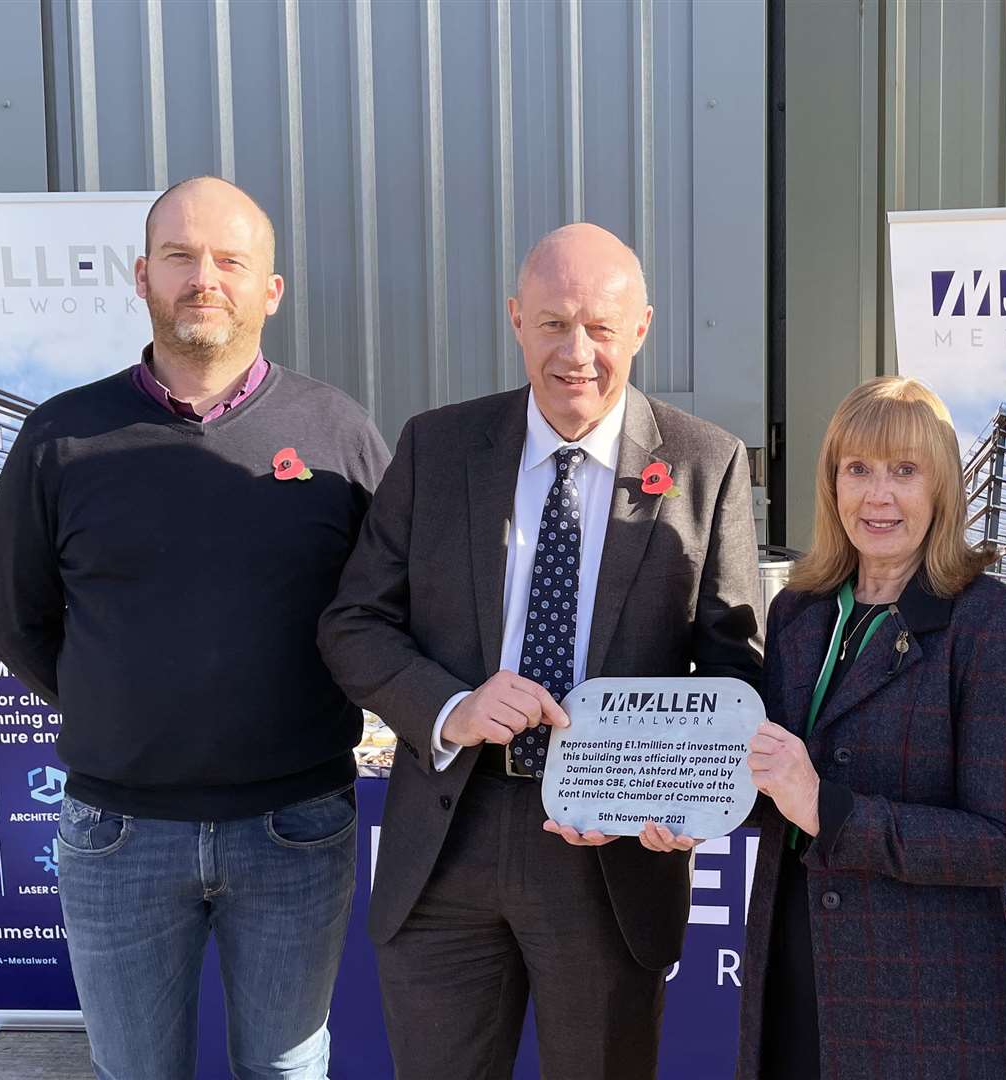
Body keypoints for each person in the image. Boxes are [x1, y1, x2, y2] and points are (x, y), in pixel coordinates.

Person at [317, 222, 762, 1079]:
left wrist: (675, 786)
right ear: (517, 319)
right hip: (450, 839)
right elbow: (354, 623)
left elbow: (735, 668)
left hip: (609, 856)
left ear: (641, 328)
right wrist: (454, 705)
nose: (578, 352)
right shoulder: (436, 449)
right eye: (554, 323)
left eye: (601, 326)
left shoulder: (706, 465)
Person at [0, 176, 390, 1079]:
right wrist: (123, 704)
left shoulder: (339, 432)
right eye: (179, 256)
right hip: (117, 834)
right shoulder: (61, 438)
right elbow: (18, 622)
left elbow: (383, 611)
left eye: (230, 260)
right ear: (142, 276)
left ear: (270, 291)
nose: (203, 278)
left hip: (297, 827)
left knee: (286, 1070)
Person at [706, 377, 1006, 1079]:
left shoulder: (994, 626)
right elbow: (778, 787)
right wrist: (681, 808)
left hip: (923, 997)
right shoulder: (798, 616)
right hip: (793, 966)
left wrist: (831, 811)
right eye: (857, 469)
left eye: (904, 470)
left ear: (943, 488)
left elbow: (1000, 841)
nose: (878, 495)